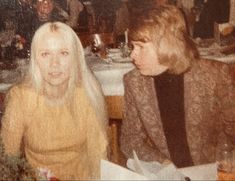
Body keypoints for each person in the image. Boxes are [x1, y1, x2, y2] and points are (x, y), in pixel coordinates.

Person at [120, 5, 235, 168]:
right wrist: (165, 164)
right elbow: (130, 141)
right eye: (133, 46)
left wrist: (225, 162)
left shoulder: (214, 75)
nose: (132, 55)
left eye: (140, 47)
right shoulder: (134, 82)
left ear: (166, 44)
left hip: (214, 170)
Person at [1, 22, 108, 180]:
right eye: (45, 54)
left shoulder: (86, 94)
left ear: (75, 57)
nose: (54, 64)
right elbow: (7, 161)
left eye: (64, 53)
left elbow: (98, 157)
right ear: (35, 60)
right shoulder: (20, 98)